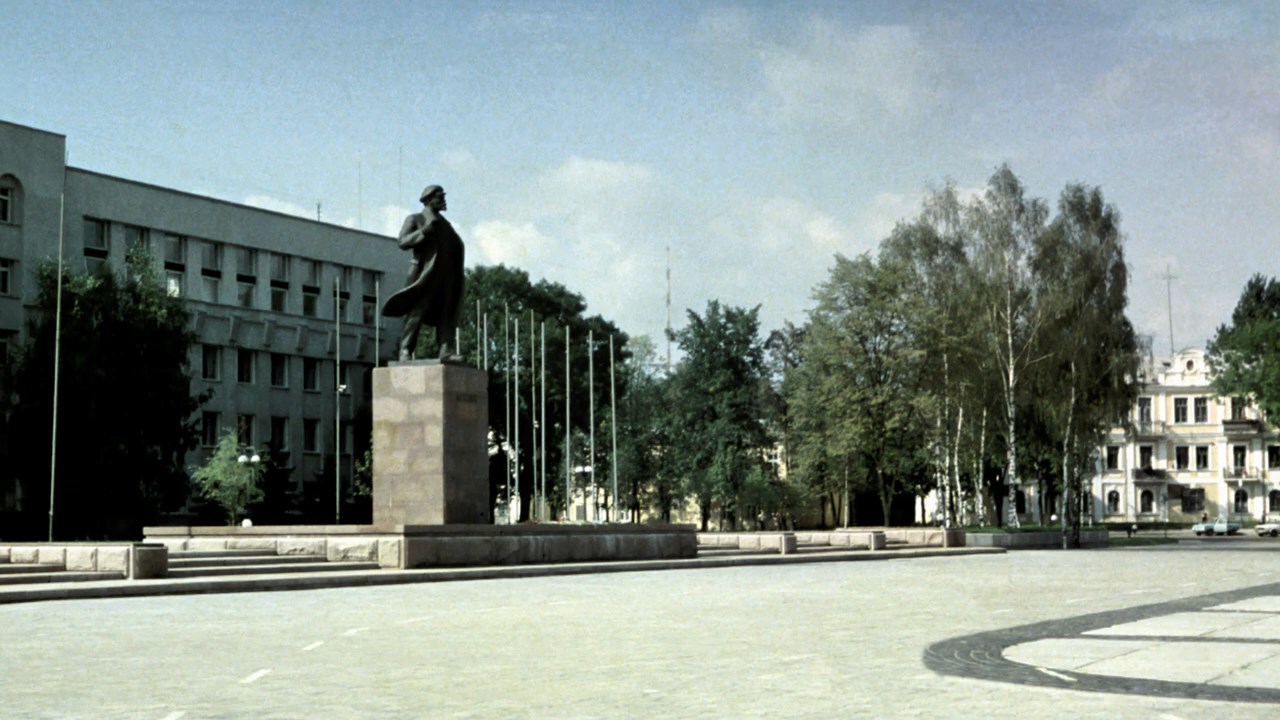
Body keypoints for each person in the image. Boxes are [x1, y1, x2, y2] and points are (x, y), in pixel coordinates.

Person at [381, 185, 465, 361]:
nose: (443, 200)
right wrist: (425, 231)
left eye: (443, 196)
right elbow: (402, 242)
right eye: (440, 197)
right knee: (417, 312)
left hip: (447, 276)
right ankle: (405, 349)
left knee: (447, 313)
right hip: (425, 274)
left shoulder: (446, 225)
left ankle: (445, 349)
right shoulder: (415, 219)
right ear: (428, 199)